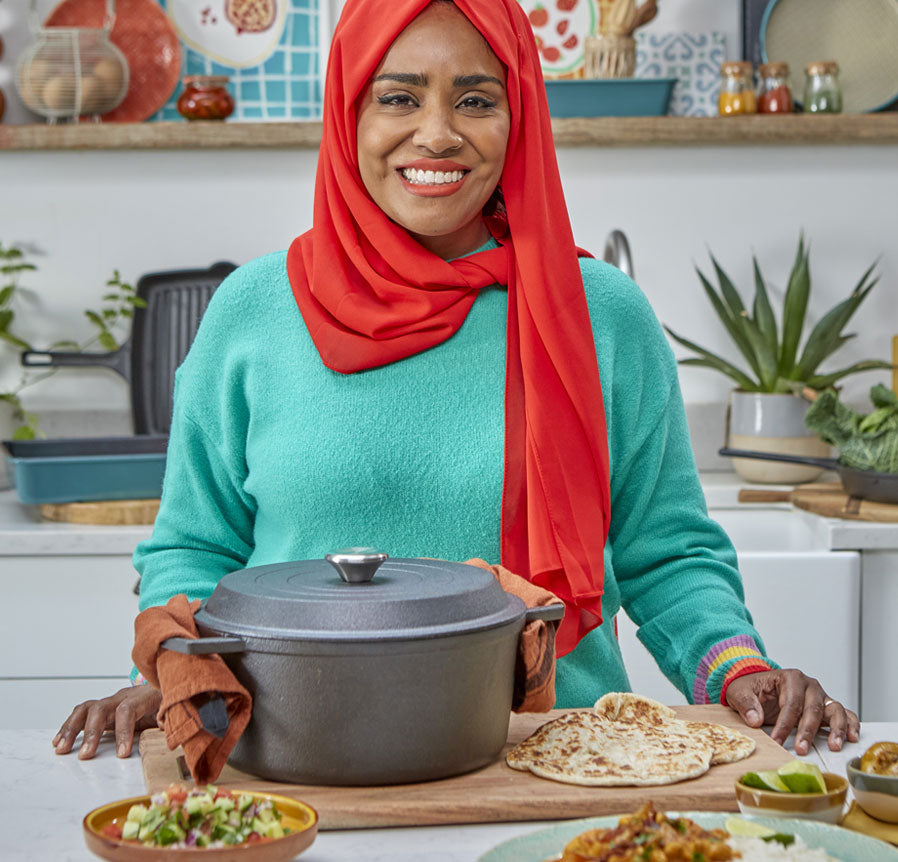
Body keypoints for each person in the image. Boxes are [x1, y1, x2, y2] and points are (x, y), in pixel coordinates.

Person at [54, 0, 858, 764]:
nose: (437, 136)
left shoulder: (602, 317)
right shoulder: (254, 313)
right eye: (398, 97)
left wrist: (743, 673)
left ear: (520, 117)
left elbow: (667, 552)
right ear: (347, 114)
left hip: (562, 764)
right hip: (296, 762)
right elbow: (197, 548)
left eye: (476, 99)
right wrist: (164, 680)